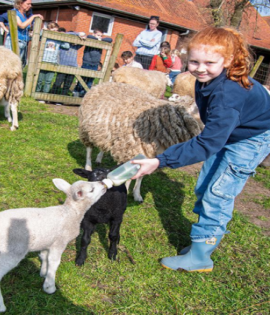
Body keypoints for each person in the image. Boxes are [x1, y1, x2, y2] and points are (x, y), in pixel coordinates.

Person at [131, 27, 270, 272]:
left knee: (219, 191)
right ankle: (203, 240)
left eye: (209, 62)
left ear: (227, 61)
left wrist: (159, 161)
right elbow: (212, 127)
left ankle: (201, 255)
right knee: (205, 184)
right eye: (194, 61)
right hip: (233, 132)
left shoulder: (229, 92)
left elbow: (208, 142)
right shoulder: (205, 81)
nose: (200, 68)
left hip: (252, 138)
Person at [4, 0, 43, 67]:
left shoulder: (25, 15)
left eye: (30, 4)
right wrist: (33, 17)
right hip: (14, 41)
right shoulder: (14, 13)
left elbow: (26, 28)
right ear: (20, 3)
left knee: (18, 65)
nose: (30, 6)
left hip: (23, 42)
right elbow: (22, 25)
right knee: (10, 65)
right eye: (28, 4)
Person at [75, 29, 113, 97]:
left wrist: (100, 40)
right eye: (98, 35)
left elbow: (110, 40)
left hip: (95, 64)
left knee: (90, 81)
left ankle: (85, 95)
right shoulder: (90, 39)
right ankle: (76, 93)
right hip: (87, 62)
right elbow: (89, 36)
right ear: (94, 34)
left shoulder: (100, 42)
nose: (99, 37)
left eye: (101, 36)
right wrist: (97, 39)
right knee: (82, 79)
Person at [51, 28, 83, 97]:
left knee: (67, 85)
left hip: (72, 67)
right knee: (58, 83)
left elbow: (84, 40)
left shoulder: (76, 47)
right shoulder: (63, 45)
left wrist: (81, 36)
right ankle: (52, 96)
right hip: (62, 66)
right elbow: (66, 34)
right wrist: (77, 33)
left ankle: (61, 99)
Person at [35, 22, 62, 95]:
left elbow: (66, 45)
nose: (54, 32)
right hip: (43, 60)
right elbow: (39, 35)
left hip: (53, 62)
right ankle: (37, 92)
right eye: (52, 30)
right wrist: (43, 30)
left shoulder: (58, 40)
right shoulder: (46, 37)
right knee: (39, 79)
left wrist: (62, 35)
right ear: (49, 29)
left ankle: (44, 94)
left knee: (48, 81)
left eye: (56, 31)